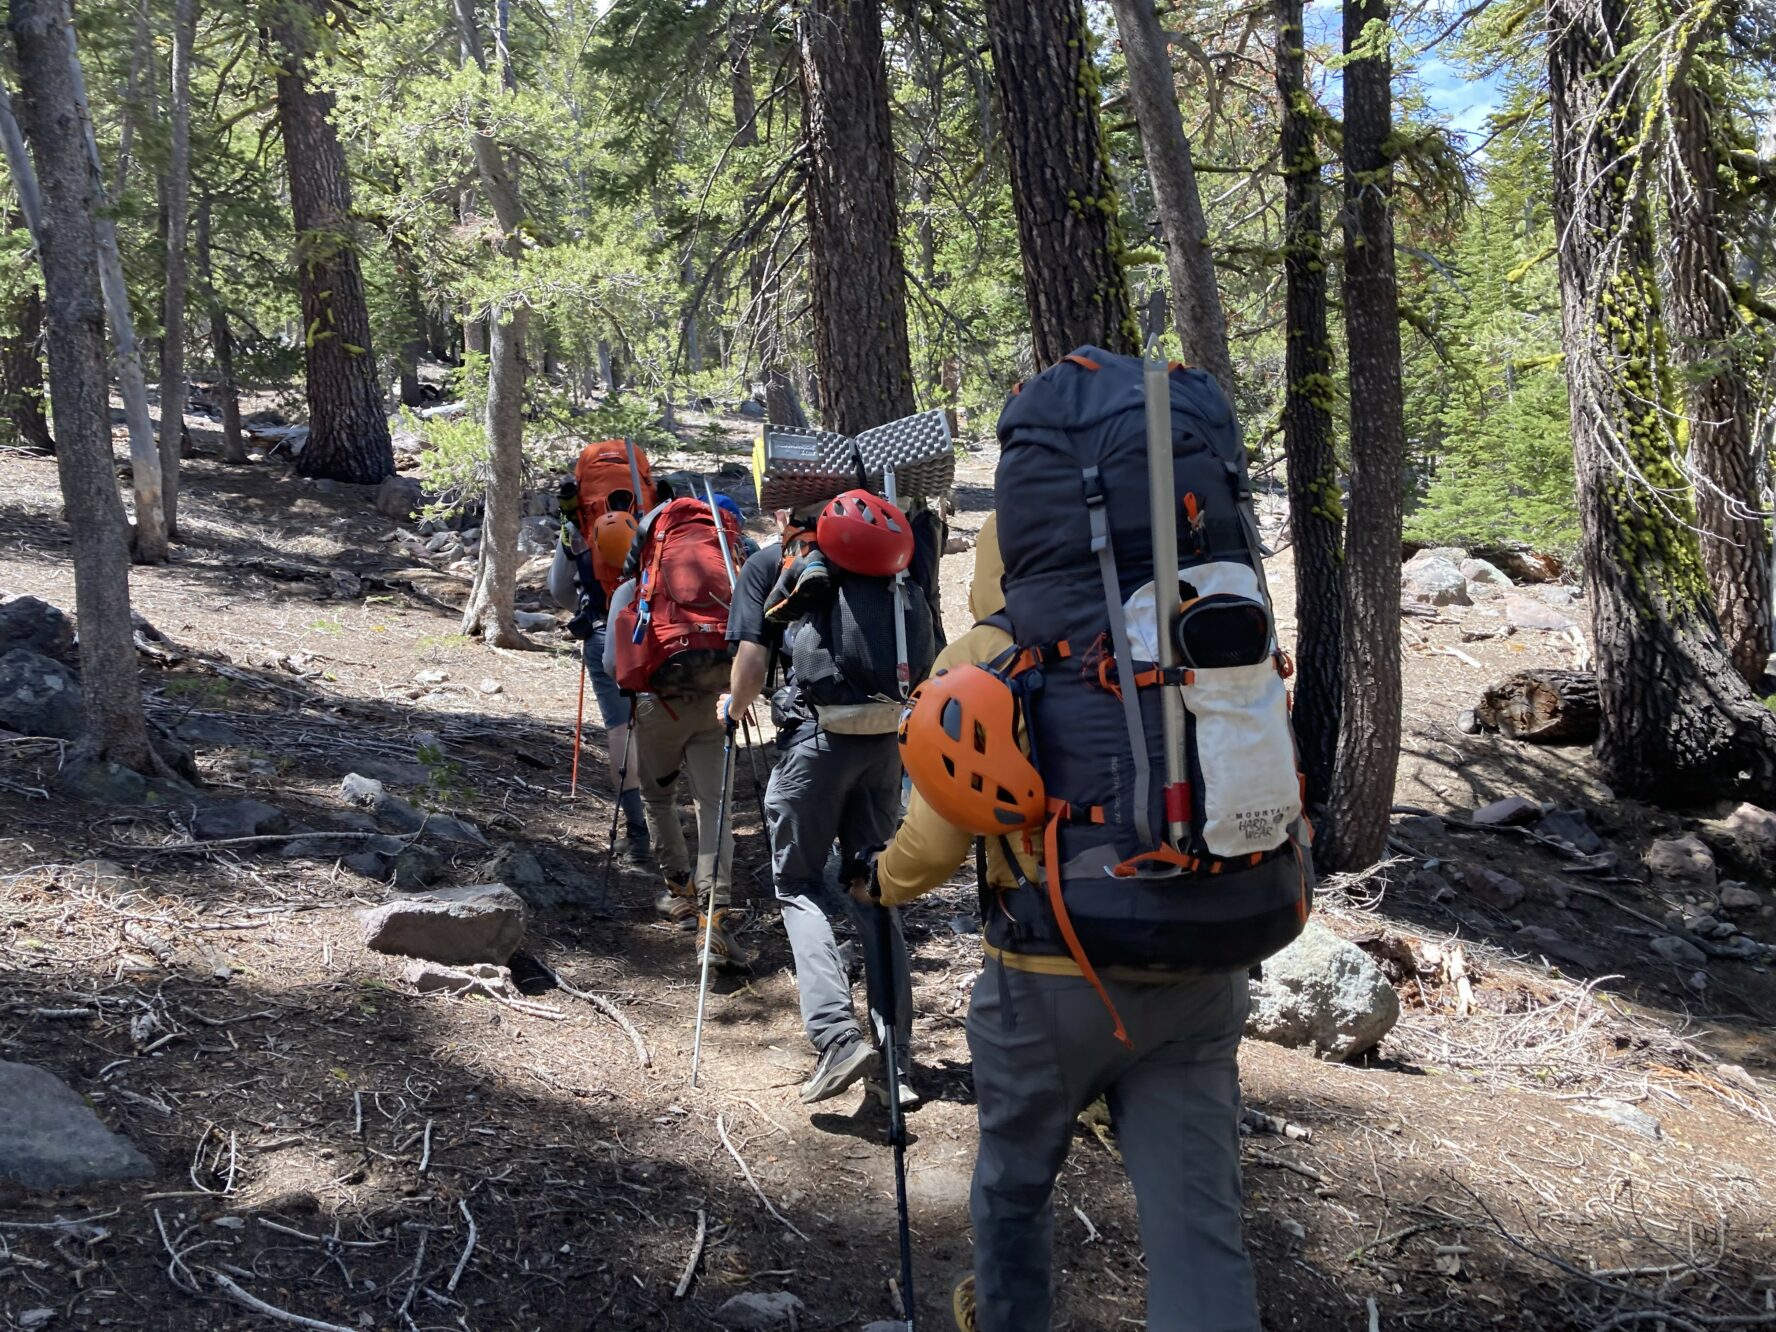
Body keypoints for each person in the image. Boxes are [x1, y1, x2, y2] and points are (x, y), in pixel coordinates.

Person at [857, 515, 1262, 1332]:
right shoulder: (1191, 621)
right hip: (1201, 965)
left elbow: (932, 847)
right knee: (1200, 1228)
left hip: (1049, 978)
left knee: (1013, 1186)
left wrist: (879, 885)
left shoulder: (982, 655)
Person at [718, 505, 918, 1107]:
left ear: (787, 517)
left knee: (798, 882)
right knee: (873, 888)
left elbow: (753, 662)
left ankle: (836, 1038)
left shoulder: (773, 566)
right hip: (886, 742)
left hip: (818, 742)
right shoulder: (893, 571)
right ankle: (895, 1064)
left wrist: (732, 707)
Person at [603, 524, 753, 969]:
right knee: (715, 805)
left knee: (659, 797)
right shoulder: (728, 577)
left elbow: (614, 664)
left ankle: (681, 892)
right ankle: (717, 913)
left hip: (657, 710)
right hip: (713, 703)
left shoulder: (634, 587)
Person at [549, 485, 650, 863]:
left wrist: (587, 605)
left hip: (603, 633)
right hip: (653, 632)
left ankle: (638, 834)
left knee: (620, 728)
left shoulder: (578, 530)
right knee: (658, 723)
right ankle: (668, 825)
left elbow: (559, 591)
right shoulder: (652, 517)